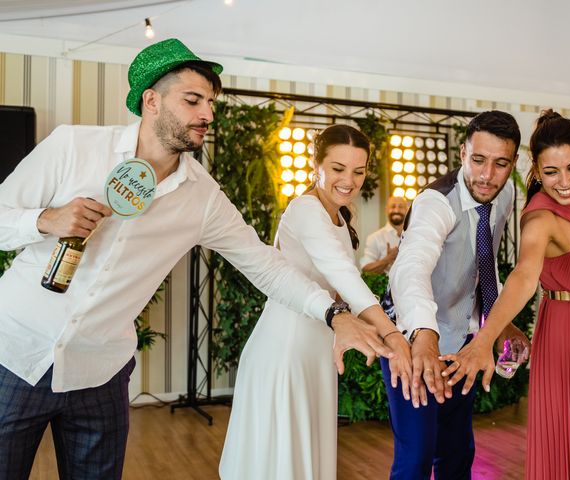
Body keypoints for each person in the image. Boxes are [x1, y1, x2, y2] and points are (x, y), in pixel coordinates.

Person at [0, 39, 393, 480]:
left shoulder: (202, 197)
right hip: (15, 354)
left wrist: (335, 314)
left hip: (100, 373)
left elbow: (263, 264)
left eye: (210, 102)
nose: (207, 113)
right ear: (150, 100)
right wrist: (45, 220)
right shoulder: (73, 146)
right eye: (192, 100)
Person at [441, 35, 570, 479]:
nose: (565, 181)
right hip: (567, 334)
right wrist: (485, 340)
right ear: (536, 171)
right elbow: (525, 277)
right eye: (550, 173)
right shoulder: (540, 219)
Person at [219, 125, 413, 480]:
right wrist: (392, 334)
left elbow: (341, 292)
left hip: (320, 346)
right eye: (338, 168)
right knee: (280, 460)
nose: (349, 180)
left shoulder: (343, 214)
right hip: (286, 348)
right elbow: (343, 275)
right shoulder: (305, 210)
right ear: (315, 164)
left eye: (358, 170)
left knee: (308, 452)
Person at [379, 109, 530, 479]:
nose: (486, 175)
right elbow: (410, 268)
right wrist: (424, 336)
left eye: (500, 164)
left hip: (462, 341)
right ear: (463, 153)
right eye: (478, 160)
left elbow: (483, 259)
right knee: (416, 457)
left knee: (457, 452)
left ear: (512, 163)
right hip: (410, 337)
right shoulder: (436, 203)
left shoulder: (505, 191)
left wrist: (498, 323)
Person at [360, 196, 408, 273]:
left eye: (401, 207)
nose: (396, 210)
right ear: (386, 210)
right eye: (393, 207)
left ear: (407, 210)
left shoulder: (414, 236)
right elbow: (366, 269)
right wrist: (388, 258)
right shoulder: (374, 238)